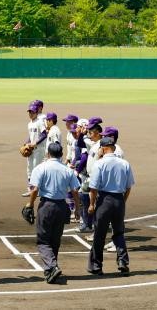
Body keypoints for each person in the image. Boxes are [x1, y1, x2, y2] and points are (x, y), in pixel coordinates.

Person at [25, 142, 80, 284]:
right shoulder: (67, 170)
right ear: (61, 155)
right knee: (55, 240)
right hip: (62, 207)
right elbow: (75, 191)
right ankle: (51, 271)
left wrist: (30, 205)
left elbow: (35, 189)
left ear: (48, 154)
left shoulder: (41, 168)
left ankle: (51, 266)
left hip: (46, 206)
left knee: (43, 240)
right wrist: (77, 210)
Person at [87, 137, 135, 276]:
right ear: (113, 147)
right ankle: (123, 262)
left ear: (103, 148)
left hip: (104, 200)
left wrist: (91, 204)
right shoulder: (124, 163)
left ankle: (96, 266)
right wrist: (122, 201)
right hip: (119, 200)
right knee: (119, 232)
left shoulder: (100, 164)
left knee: (99, 234)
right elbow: (128, 187)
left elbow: (94, 187)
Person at [22, 103, 47, 197]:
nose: (30, 114)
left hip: (39, 149)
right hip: (31, 149)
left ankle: (39, 189)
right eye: (29, 112)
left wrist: (35, 143)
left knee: (36, 169)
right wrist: (26, 143)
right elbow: (31, 136)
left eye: (32, 112)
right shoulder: (30, 124)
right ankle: (31, 189)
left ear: (36, 113)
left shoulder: (39, 122)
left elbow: (44, 134)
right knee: (29, 169)